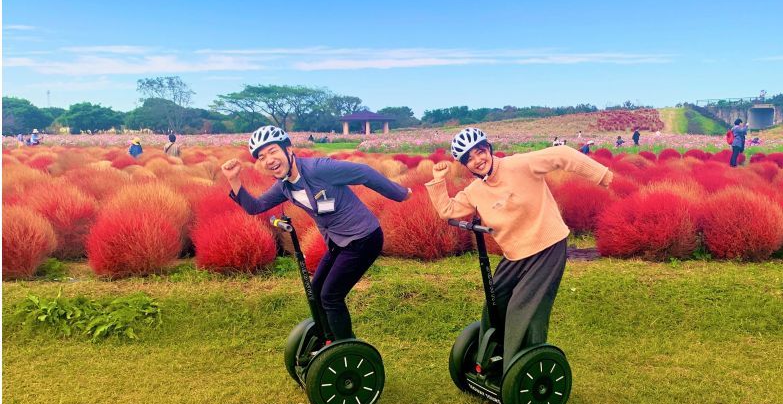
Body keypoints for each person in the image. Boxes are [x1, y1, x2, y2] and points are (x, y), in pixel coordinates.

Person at [425, 127, 612, 373]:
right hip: (514, 255)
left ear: (488, 149)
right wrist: (438, 180)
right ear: (466, 165)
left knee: (522, 310)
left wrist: (603, 176)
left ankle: (518, 369)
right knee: (495, 303)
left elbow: (564, 154)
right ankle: (490, 359)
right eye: (469, 158)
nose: (478, 160)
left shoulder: (520, 164)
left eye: (480, 152)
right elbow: (447, 211)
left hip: (547, 246)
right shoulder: (474, 191)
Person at [221, 125, 412, 342]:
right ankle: (329, 339)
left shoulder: (319, 168)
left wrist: (400, 193)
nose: (269, 160)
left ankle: (345, 348)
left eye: (273, 151)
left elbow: (363, 173)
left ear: (289, 150)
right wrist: (233, 179)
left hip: (363, 238)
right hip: (338, 242)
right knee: (317, 290)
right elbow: (256, 206)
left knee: (331, 296)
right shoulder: (284, 186)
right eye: (262, 157)